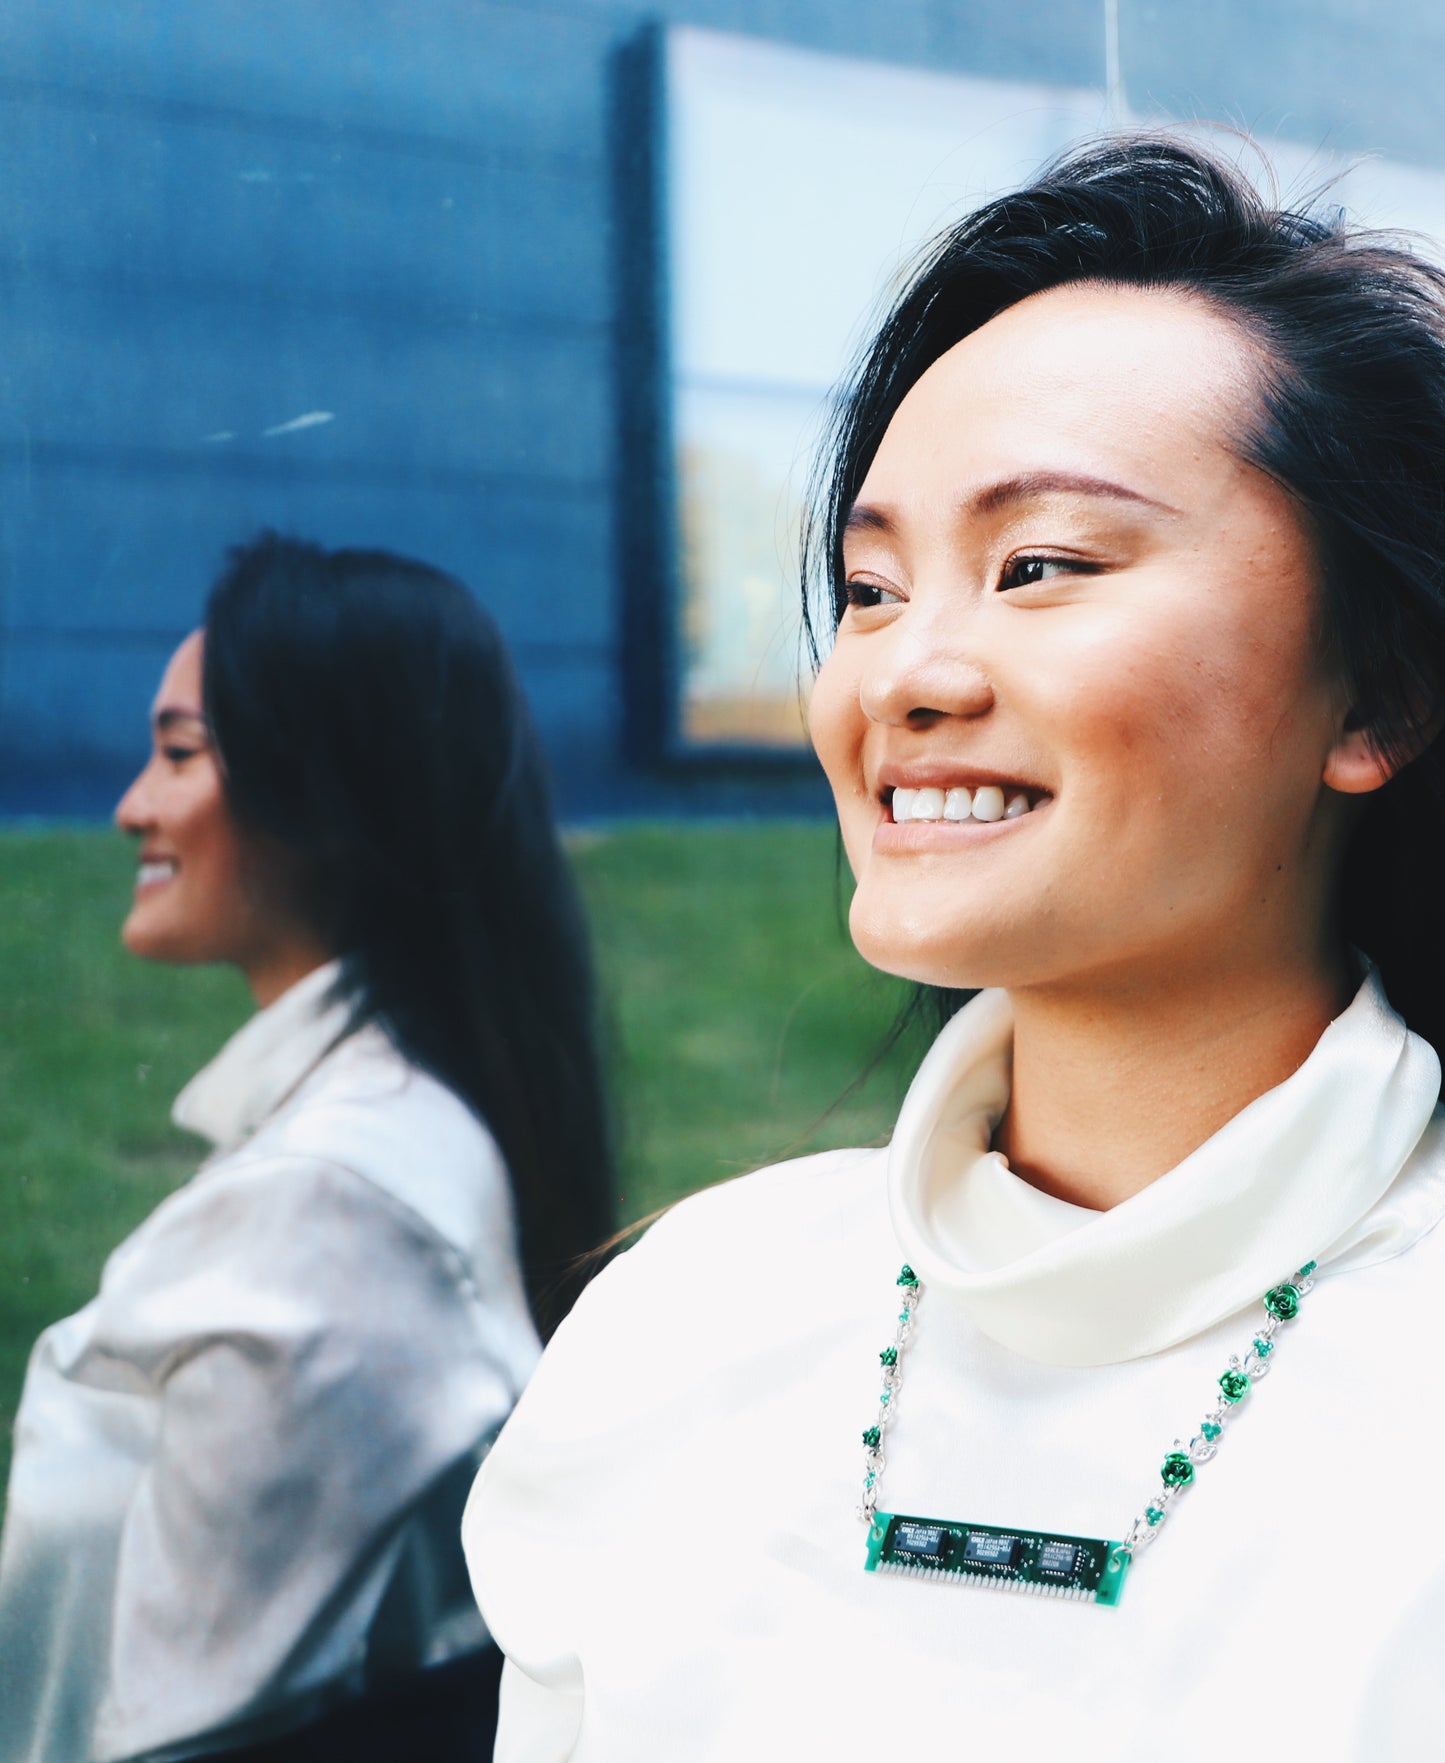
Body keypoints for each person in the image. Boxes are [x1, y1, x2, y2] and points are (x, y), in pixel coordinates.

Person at [461, 136, 1445, 1760]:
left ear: (1382, 693)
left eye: (1041, 564)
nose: (906, 672)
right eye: (865, 584)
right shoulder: (685, 1318)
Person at [0, 534, 613, 1761]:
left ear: (326, 787)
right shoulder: (380, 1128)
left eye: (179, 752)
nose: (132, 804)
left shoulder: (325, 1205)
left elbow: (187, 1724)